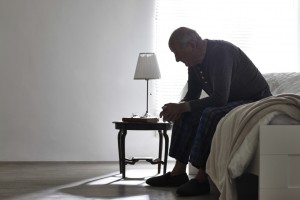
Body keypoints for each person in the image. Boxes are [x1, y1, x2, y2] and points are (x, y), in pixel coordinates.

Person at [145, 27, 272, 196]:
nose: (176, 59)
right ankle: (178, 172)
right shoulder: (194, 63)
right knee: (186, 113)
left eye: (177, 53)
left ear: (192, 44)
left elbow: (219, 99)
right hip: (232, 100)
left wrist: (182, 107)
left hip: (254, 100)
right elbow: (192, 95)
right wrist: (178, 109)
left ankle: (202, 179)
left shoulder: (221, 53)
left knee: (211, 114)